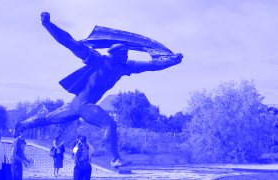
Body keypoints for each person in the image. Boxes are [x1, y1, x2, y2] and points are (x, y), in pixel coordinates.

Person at [14, 12, 183, 167]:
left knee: (49, 119)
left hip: (78, 104)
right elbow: (69, 41)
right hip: (83, 104)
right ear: (114, 54)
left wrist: (172, 61)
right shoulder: (97, 59)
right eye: (124, 54)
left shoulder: (124, 67)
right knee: (109, 123)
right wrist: (48, 24)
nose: (127, 56)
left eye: (127, 54)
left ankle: (21, 125)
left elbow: (151, 65)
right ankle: (115, 159)